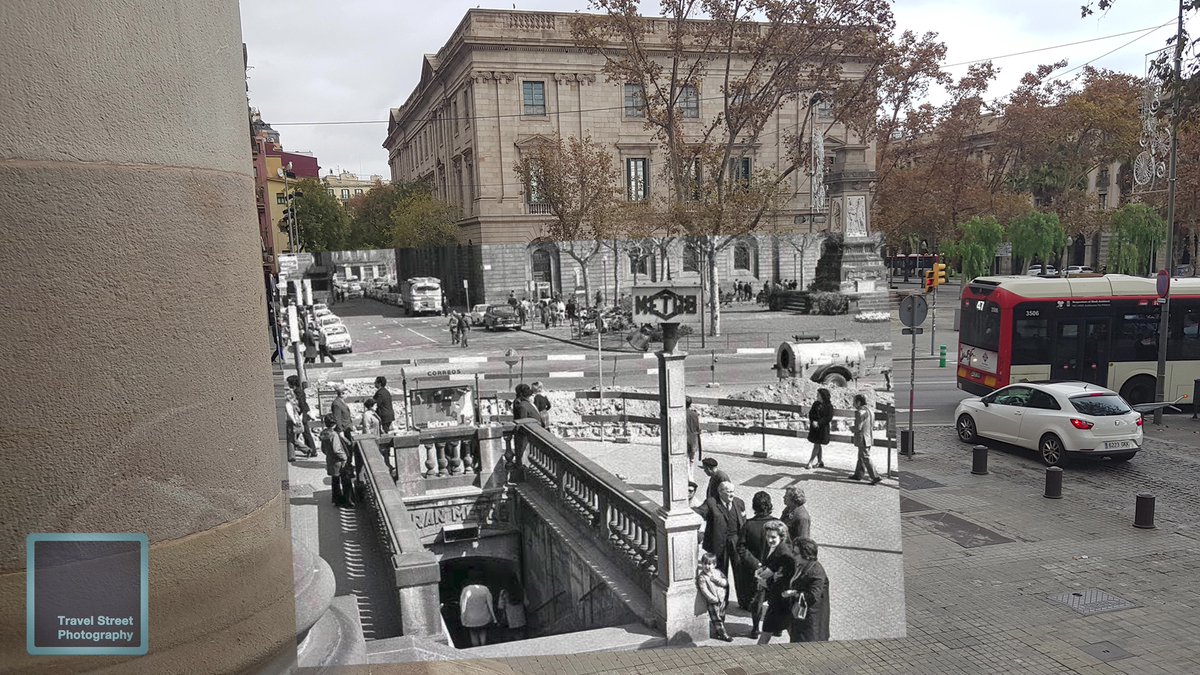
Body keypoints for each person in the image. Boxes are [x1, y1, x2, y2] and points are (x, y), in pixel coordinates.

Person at [695, 481, 745, 604]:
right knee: (721, 573)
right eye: (728, 492)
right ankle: (722, 600)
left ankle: (743, 601)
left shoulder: (739, 503)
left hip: (735, 541)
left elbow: (744, 522)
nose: (731, 495)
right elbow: (701, 511)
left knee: (739, 571)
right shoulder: (711, 503)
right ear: (720, 492)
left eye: (732, 491)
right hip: (718, 544)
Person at [737, 491, 775, 636]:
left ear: (754, 506)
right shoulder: (777, 524)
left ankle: (755, 628)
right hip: (774, 569)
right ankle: (775, 628)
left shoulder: (748, 525)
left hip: (755, 571)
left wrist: (757, 564)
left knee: (757, 600)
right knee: (775, 599)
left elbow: (741, 548)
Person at [755, 520, 796, 645]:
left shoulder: (783, 553)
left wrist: (765, 580)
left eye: (773, 537)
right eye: (768, 536)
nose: (769, 540)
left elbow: (786, 579)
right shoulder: (776, 548)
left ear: (781, 536)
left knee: (768, 629)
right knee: (789, 629)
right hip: (778, 599)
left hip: (781, 600)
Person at [787, 538, 830, 643]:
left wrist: (794, 593)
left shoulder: (816, 572)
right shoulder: (802, 565)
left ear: (806, 555)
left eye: (796, 553)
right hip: (800, 617)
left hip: (810, 620)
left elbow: (813, 596)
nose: (793, 555)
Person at [696, 552, 733, 642]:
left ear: (714, 565)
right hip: (713, 601)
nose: (707, 567)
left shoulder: (717, 572)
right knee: (717, 619)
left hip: (721, 598)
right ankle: (723, 634)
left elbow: (725, 582)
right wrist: (713, 599)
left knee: (722, 615)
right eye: (705, 564)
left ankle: (718, 631)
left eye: (709, 564)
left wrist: (717, 580)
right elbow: (704, 590)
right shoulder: (702, 577)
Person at [320, 414, 353, 506]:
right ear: (334, 424)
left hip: (331, 461)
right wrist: (344, 458)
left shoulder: (323, 433)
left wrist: (329, 455)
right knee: (346, 481)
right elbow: (337, 449)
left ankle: (337, 500)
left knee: (335, 481)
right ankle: (348, 501)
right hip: (339, 461)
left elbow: (323, 449)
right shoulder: (334, 434)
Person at [458, 570, 497, 647]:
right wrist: (494, 618)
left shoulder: (466, 589)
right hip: (483, 618)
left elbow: (463, 605)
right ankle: (483, 646)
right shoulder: (485, 589)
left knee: (473, 634)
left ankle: (476, 649)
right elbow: (490, 605)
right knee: (483, 632)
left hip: (470, 618)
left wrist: (463, 618)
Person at [850, 393, 882, 484]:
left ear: (859, 402)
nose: (853, 404)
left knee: (865, 457)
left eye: (854, 402)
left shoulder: (860, 412)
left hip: (862, 438)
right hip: (869, 436)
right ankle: (858, 474)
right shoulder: (870, 410)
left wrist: (851, 428)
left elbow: (858, 428)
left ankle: (875, 476)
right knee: (861, 456)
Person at [805, 388, 833, 470]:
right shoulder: (815, 404)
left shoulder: (829, 406)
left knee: (816, 444)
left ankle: (810, 462)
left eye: (818, 395)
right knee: (817, 444)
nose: (816, 396)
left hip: (822, 428)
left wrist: (819, 422)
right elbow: (811, 413)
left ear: (822, 396)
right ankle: (820, 461)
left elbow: (828, 418)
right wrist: (813, 421)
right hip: (814, 428)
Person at [686, 397, 703, 481]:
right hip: (694, 438)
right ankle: (691, 477)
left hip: (685, 438)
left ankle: (689, 478)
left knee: (686, 459)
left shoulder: (681, 414)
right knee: (692, 459)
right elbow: (698, 427)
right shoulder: (695, 414)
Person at [284, 391, 303, 463]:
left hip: (290, 422)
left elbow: (290, 414)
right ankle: (306, 450)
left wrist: (294, 422)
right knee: (293, 439)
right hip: (294, 421)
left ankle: (291, 456)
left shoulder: (288, 404)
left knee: (290, 440)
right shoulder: (294, 404)